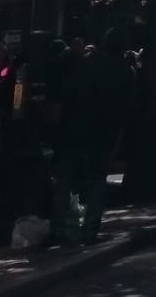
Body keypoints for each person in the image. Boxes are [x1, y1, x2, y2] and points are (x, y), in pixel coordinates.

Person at [57, 30, 133, 244]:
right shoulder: (124, 71)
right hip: (103, 132)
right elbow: (126, 107)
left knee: (66, 179)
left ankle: (59, 228)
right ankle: (89, 230)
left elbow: (69, 93)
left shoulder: (86, 64)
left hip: (75, 127)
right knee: (97, 181)